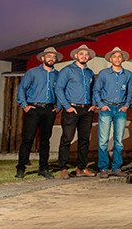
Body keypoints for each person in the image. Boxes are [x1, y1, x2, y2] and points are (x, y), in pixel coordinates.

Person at [15, 46, 62, 179]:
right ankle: (21, 167)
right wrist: (24, 106)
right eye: (49, 56)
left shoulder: (57, 75)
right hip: (34, 109)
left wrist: (58, 107)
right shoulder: (32, 72)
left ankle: (43, 168)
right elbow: (21, 89)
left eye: (54, 57)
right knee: (28, 139)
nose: (52, 59)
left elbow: (60, 92)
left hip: (49, 110)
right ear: (43, 58)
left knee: (45, 141)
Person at [55, 44, 97, 179]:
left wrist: (94, 103)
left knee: (84, 140)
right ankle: (63, 168)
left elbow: (93, 90)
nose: (84, 56)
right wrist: (67, 106)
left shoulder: (90, 72)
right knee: (67, 138)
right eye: (81, 54)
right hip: (71, 109)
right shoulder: (67, 70)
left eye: (86, 54)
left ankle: (81, 168)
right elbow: (59, 89)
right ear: (76, 56)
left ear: (88, 57)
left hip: (87, 110)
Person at [93, 47, 132, 178]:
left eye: (119, 56)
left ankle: (116, 167)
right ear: (110, 59)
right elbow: (96, 90)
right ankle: (103, 168)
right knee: (103, 139)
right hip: (106, 108)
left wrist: (126, 105)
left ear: (123, 59)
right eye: (114, 56)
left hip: (120, 108)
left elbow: (129, 92)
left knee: (119, 140)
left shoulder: (127, 74)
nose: (117, 58)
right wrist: (101, 105)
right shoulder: (104, 73)